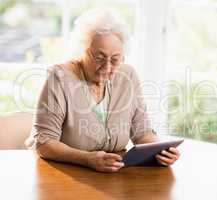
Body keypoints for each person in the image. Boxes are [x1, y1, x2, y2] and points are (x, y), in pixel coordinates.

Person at [25, 8, 180, 172]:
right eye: (98, 57)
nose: (107, 67)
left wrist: (160, 149)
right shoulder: (60, 78)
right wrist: (87, 159)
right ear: (81, 51)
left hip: (113, 174)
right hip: (63, 174)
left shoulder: (128, 76)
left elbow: (142, 133)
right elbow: (44, 143)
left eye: (115, 59)